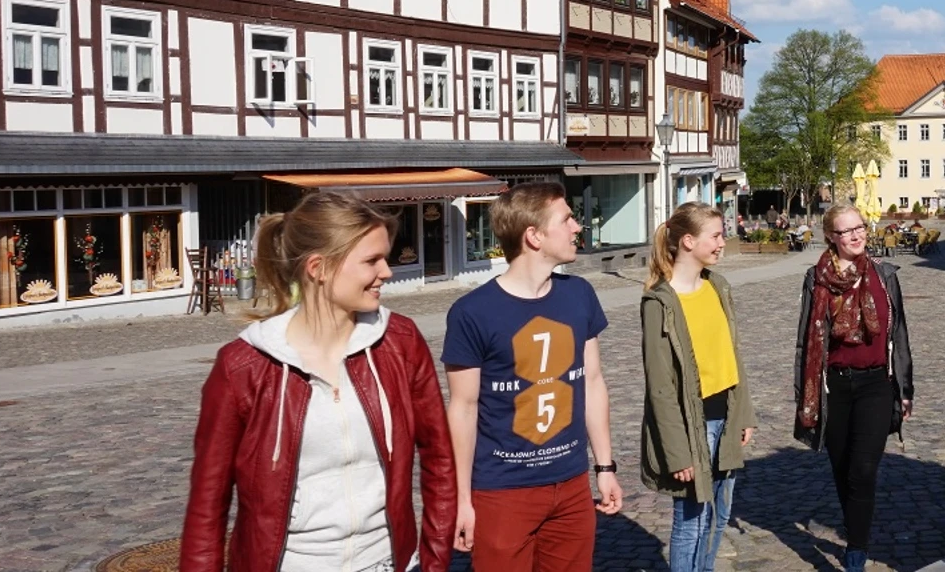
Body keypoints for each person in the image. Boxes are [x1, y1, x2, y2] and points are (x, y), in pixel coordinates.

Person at [181, 192, 453, 572]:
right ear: (319, 268)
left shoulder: (400, 342)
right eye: (372, 260)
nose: (387, 272)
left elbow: (441, 460)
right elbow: (207, 505)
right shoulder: (244, 365)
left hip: (388, 563)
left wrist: (434, 562)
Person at [442, 182, 623, 572]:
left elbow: (592, 381)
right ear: (534, 236)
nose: (578, 227)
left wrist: (604, 468)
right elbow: (462, 408)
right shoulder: (472, 313)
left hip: (571, 485)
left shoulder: (579, 296)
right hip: (502, 490)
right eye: (567, 219)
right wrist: (461, 500)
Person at [793, 203, 915, 572]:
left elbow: (900, 335)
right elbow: (805, 340)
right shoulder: (817, 279)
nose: (857, 235)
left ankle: (856, 549)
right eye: (847, 231)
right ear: (832, 237)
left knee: (863, 469)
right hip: (834, 387)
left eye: (859, 227)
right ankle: (855, 524)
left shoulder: (883, 275)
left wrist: (906, 388)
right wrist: (805, 393)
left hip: (876, 383)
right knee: (842, 467)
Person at [640, 202, 758, 572]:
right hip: (694, 427)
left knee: (720, 515)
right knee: (691, 521)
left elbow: (732, 357)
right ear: (688, 241)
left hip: (726, 418)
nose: (723, 242)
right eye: (717, 235)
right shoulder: (660, 303)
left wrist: (744, 414)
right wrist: (678, 453)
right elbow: (660, 386)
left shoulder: (717, 287)